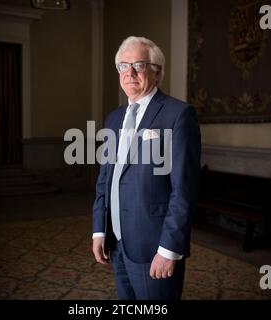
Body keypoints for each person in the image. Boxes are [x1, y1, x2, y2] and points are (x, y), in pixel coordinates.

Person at [92, 36, 201, 300]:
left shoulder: (178, 115)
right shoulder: (114, 118)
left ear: (157, 71)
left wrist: (168, 250)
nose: (129, 72)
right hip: (117, 243)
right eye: (123, 66)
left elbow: (183, 190)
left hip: (154, 247)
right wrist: (99, 229)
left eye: (139, 65)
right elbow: (105, 179)